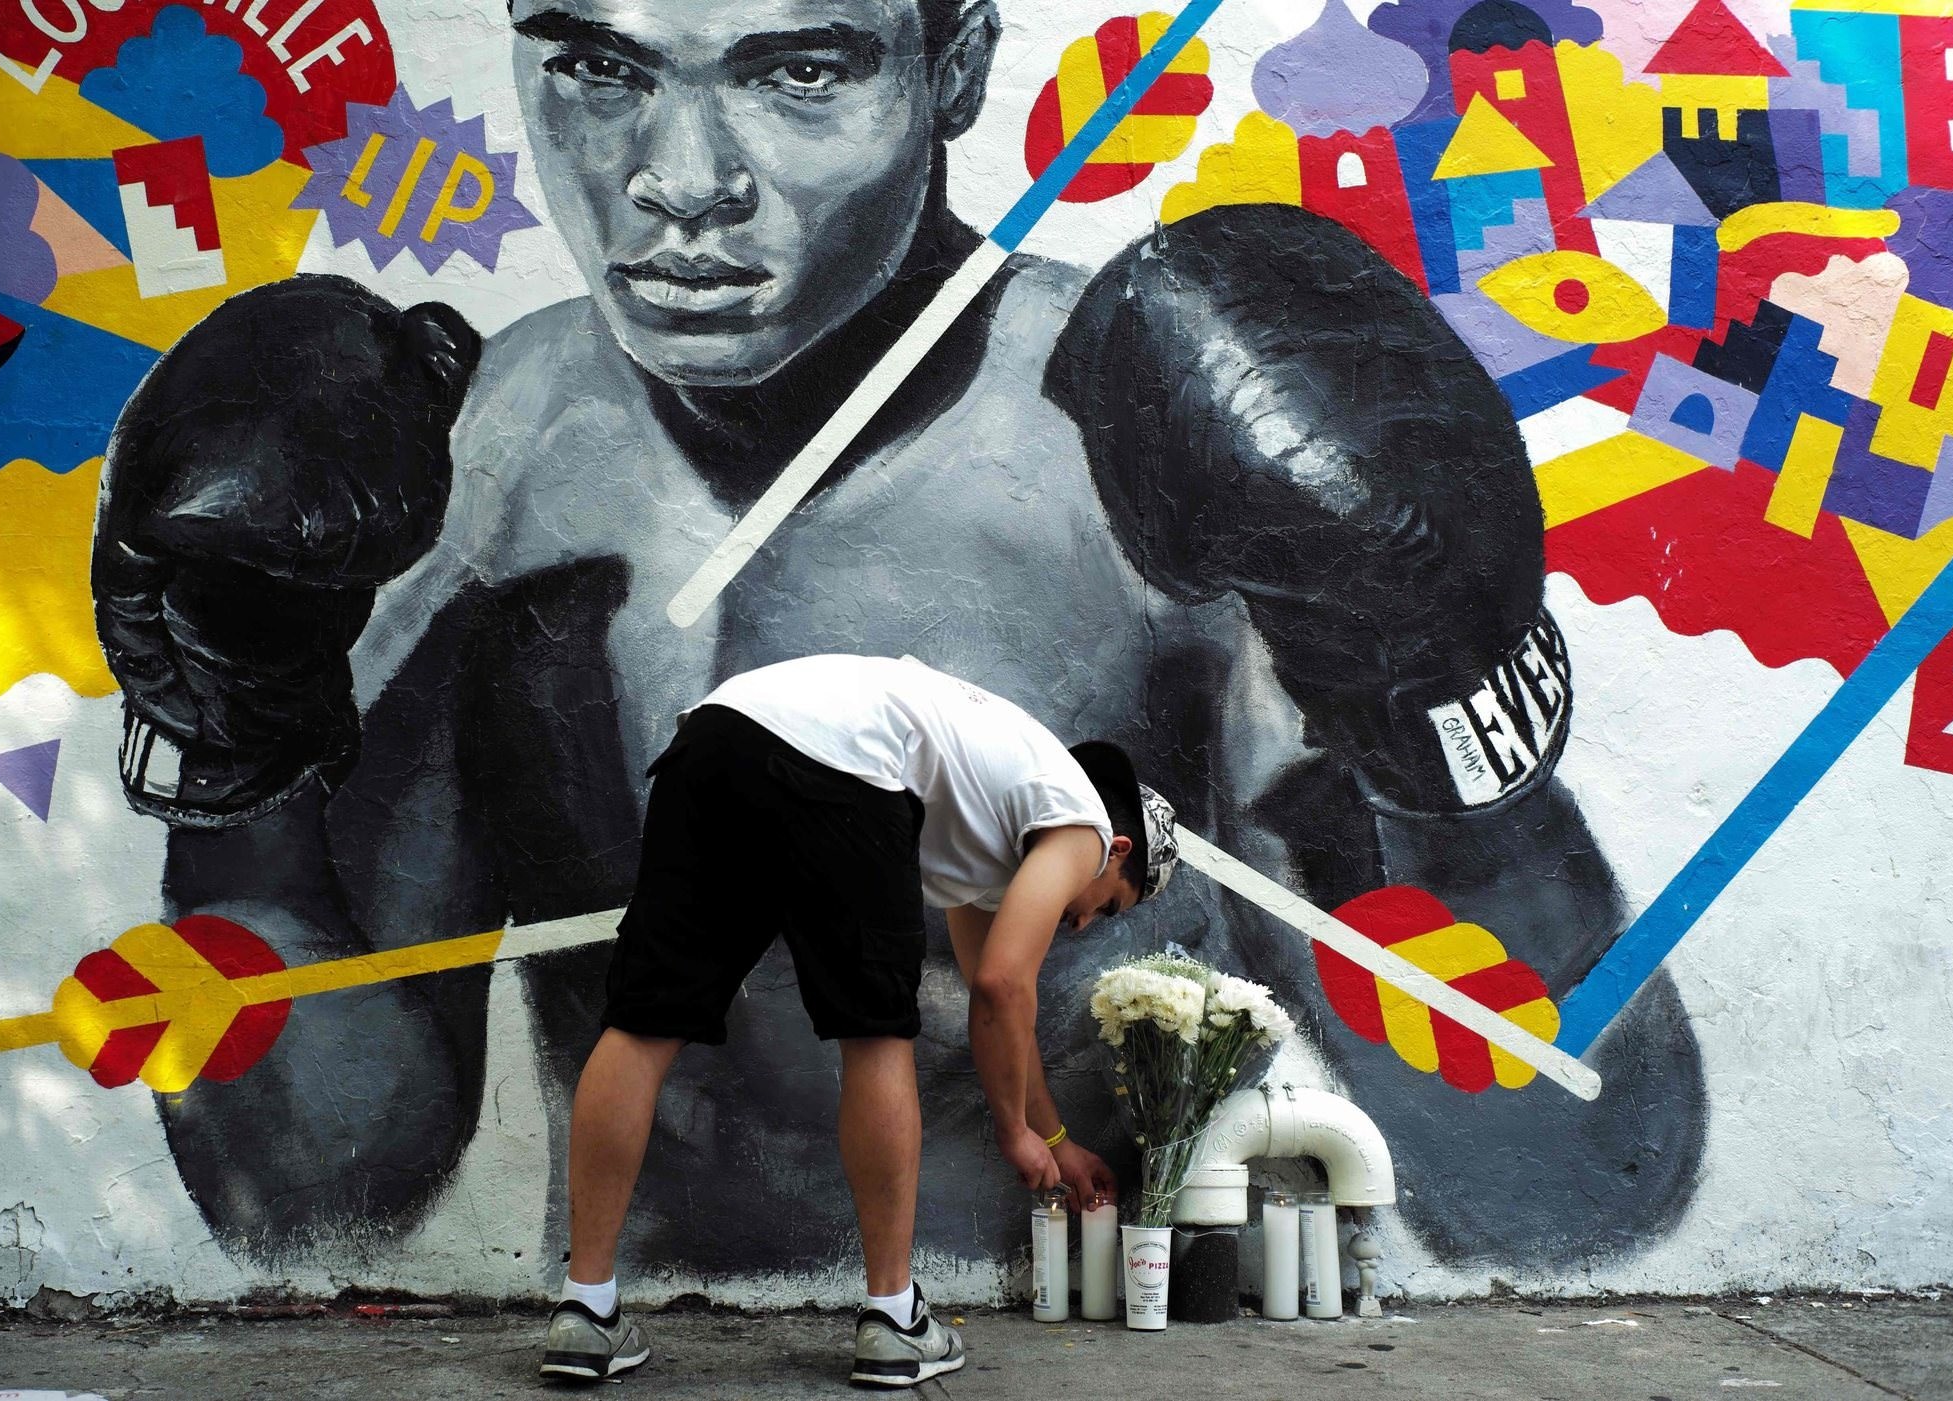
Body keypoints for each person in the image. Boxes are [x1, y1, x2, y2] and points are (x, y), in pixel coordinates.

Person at [91, 0, 1705, 1286]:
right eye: (596, 66)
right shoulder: (480, 463)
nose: (676, 179)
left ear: (954, 66)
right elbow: (312, 1190)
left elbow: (1569, 1187)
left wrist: (1449, 740)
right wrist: (233, 767)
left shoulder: (1150, 456)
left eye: (796, 70)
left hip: (1108, 1341)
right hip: (667, 1347)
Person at [538, 653, 1177, 1385]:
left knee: (643, 1023)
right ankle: (894, 1321)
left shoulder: (1000, 816)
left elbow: (996, 1006)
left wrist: (1054, 1137)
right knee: (876, 1033)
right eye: (1108, 905)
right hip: (842, 767)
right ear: (1117, 850)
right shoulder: (1084, 824)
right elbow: (1004, 985)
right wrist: (1012, 1131)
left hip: (716, 738)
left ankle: (584, 1310)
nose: (1082, 922)